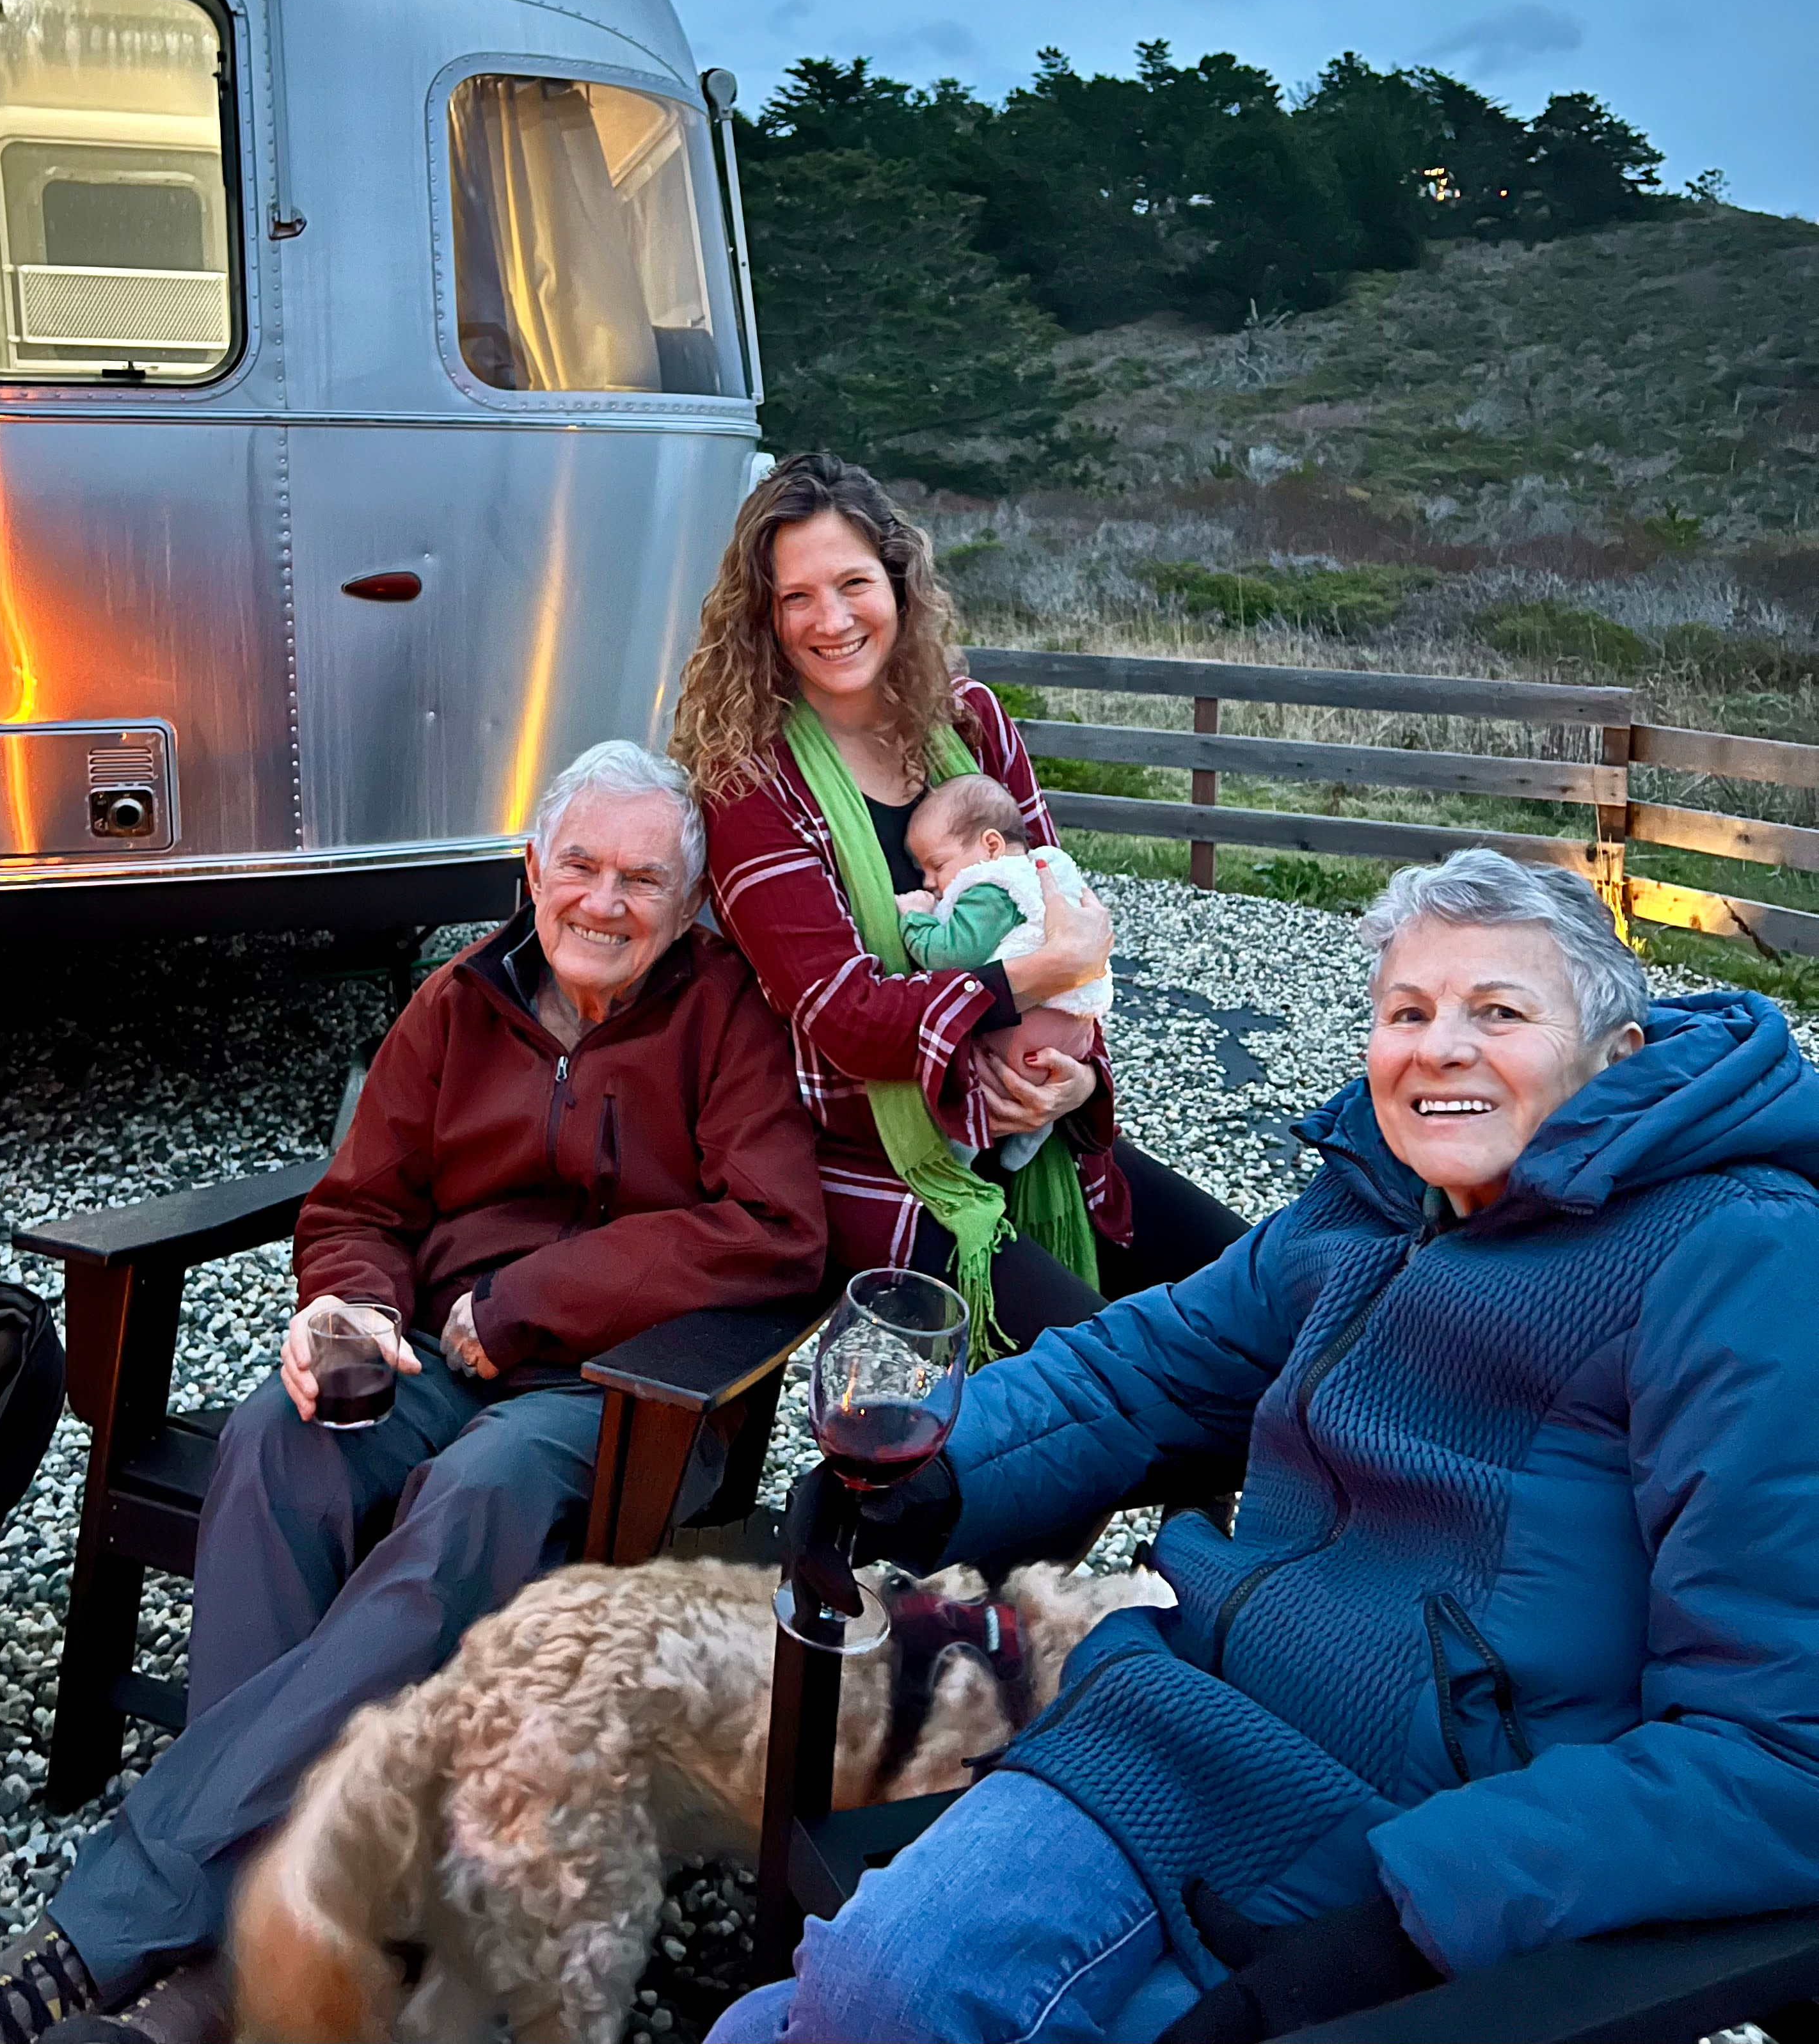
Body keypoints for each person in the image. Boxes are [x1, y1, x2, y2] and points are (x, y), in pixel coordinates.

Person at [718, 848, 1819, 2043]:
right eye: (1405, 1012)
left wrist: (1415, 1915)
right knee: (872, 1993)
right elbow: (1152, 1359)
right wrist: (945, 1467)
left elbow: (1779, 1748)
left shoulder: (1733, 1257)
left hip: (1418, 1831)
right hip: (1182, 1723)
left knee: (833, 2013)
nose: (1437, 1047)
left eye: (1495, 1011)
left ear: (1617, 1050)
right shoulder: (1373, 1194)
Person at [0, 742, 828, 2044]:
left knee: (472, 1498)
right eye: (579, 865)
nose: (604, 901)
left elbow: (777, 1230)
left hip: (624, 1398)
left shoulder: (726, 1016)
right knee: (283, 1439)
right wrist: (349, 1301)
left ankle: (115, 1931)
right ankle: (268, 1929)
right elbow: (360, 1202)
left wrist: (529, 1305)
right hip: (434, 1356)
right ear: (531, 867)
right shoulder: (459, 999)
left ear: (687, 906)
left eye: (641, 878)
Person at [670, 451, 1244, 1355]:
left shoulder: (970, 719)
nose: (832, 620)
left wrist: (1077, 1077)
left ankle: (1196, 1496)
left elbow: (1066, 910)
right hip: (880, 1156)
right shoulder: (749, 781)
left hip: (1034, 1117)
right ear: (762, 617)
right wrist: (1029, 976)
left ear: (898, 582)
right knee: (1109, 1371)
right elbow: (846, 1017)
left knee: (1257, 1291)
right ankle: (928, 1490)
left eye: (854, 582)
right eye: (796, 598)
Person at [896, 774, 1110, 1174]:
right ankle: (1033, 1136)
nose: (929, 882)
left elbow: (949, 956)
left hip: (1024, 1030)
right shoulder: (1047, 870)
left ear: (991, 846)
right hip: (1075, 1032)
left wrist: (916, 920)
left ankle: (957, 1154)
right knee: (1042, 1083)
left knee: (972, 1068)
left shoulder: (992, 888)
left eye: (936, 865)